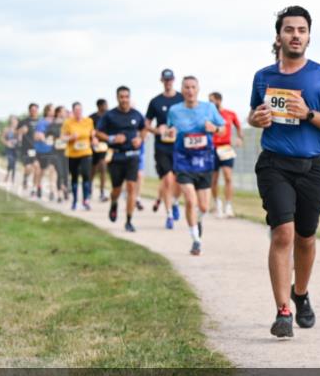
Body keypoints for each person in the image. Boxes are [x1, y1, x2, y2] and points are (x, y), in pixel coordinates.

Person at [250, 5, 320, 338]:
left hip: (313, 167)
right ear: (279, 36)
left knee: (306, 238)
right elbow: (254, 114)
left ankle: (300, 294)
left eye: (301, 30)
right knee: (283, 233)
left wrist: (308, 114)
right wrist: (255, 119)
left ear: (308, 37)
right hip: (275, 164)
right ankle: (283, 311)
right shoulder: (263, 77)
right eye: (289, 29)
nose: (295, 35)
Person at [166, 76, 225, 255]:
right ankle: (196, 240)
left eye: (193, 87)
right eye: (186, 87)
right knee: (191, 201)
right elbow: (169, 130)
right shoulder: (174, 110)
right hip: (183, 160)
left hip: (204, 160)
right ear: (182, 90)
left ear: (198, 89)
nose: (190, 90)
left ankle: (197, 220)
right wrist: (170, 132)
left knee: (204, 206)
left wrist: (214, 129)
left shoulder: (209, 108)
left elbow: (223, 128)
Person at [96, 86, 145, 232]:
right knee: (116, 189)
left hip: (132, 155)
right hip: (116, 156)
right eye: (121, 97)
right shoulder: (110, 115)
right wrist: (112, 138)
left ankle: (129, 220)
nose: (124, 99)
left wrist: (140, 139)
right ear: (117, 98)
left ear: (130, 97)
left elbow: (144, 128)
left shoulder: (136, 114)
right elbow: (98, 133)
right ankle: (114, 203)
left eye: (126, 97)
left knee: (131, 187)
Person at [146, 68, 184, 228]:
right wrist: (157, 130)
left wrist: (178, 128)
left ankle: (175, 202)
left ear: (173, 80)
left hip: (179, 145)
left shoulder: (181, 98)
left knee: (180, 180)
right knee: (168, 180)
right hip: (162, 146)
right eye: (165, 80)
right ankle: (169, 215)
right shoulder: (155, 101)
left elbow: (189, 118)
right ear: (162, 81)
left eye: (170, 79)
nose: (168, 82)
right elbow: (146, 124)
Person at [208, 91, 244, 218]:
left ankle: (228, 206)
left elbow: (239, 127)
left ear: (219, 100)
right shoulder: (209, 115)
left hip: (226, 147)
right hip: (212, 148)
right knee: (214, 179)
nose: (210, 103)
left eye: (212, 101)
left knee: (228, 177)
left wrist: (239, 138)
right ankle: (217, 203)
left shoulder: (230, 114)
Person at [61, 101, 94, 210]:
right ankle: (75, 201)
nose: (78, 112)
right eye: (76, 110)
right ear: (73, 111)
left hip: (86, 152)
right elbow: (63, 138)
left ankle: (85, 200)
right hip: (73, 153)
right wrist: (71, 137)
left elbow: (92, 135)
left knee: (86, 174)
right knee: (74, 177)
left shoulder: (88, 121)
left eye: (80, 110)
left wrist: (94, 138)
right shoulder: (68, 123)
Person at [33, 105, 57, 200]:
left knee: (52, 169)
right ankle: (38, 186)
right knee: (41, 171)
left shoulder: (55, 122)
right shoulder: (42, 122)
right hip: (41, 150)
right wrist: (45, 140)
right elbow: (39, 135)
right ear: (47, 111)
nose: (54, 112)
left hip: (52, 151)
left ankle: (52, 190)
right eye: (52, 110)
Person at [89, 99, 110, 202]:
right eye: (105, 105)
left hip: (105, 146)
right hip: (94, 146)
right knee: (93, 169)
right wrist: (92, 138)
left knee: (103, 167)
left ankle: (102, 192)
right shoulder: (92, 117)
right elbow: (89, 130)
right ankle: (89, 188)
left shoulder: (109, 116)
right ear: (99, 106)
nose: (106, 107)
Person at [49, 106, 70, 202]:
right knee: (59, 173)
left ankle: (65, 190)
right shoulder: (52, 125)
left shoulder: (68, 123)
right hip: (56, 152)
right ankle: (59, 194)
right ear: (58, 113)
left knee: (66, 173)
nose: (65, 113)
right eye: (63, 111)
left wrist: (68, 137)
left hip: (66, 151)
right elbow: (48, 137)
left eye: (65, 112)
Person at [17, 104, 40, 193]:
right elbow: (15, 132)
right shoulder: (24, 122)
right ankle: (25, 178)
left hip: (37, 149)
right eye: (32, 110)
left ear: (37, 111)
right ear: (29, 111)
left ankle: (34, 188)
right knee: (28, 167)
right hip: (26, 148)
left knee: (37, 167)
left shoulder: (40, 122)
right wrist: (21, 131)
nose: (34, 111)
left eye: (35, 110)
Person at [2, 116, 19, 184]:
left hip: (16, 149)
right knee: (10, 161)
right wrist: (7, 143)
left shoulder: (18, 130)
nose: (14, 122)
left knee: (14, 163)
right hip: (8, 149)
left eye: (15, 121)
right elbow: (2, 138)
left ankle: (12, 179)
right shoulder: (6, 129)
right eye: (12, 121)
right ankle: (7, 174)